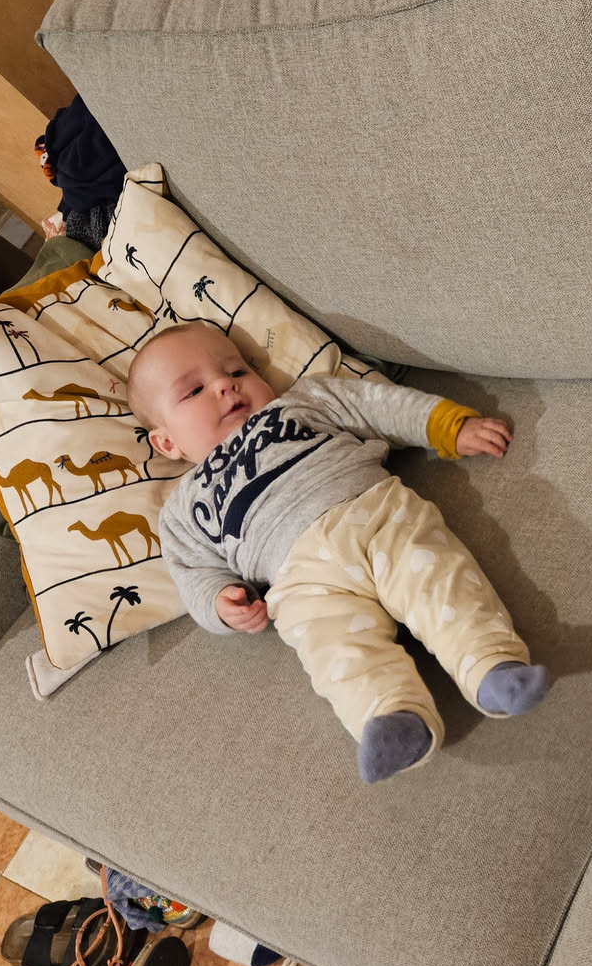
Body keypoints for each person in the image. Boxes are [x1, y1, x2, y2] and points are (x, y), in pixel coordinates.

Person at [127, 322, 548, 782]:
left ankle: (491, 665)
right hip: (299, 579)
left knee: (437, 581)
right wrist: (220, 603)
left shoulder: (300, 403)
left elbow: (378, 406)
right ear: (166, 442)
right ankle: (391, 717)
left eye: (237, 370)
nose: (225, 385)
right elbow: (192, 573)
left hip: (377, 516)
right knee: (335, 649)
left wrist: (448, 426)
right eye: (194, 391)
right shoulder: (182, 510)